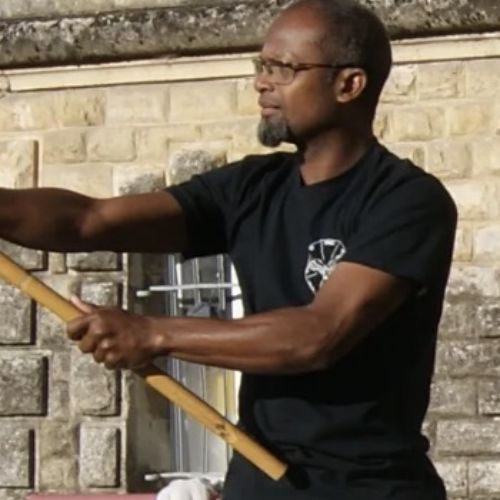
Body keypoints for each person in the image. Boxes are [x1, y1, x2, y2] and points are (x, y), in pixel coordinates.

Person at [0, 0, 456, 498]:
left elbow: (317, 335)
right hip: (256, 482)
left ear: (349, 84)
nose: (261, 82)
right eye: (261, 65)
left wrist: (152, 333)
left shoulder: (407, 201)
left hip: (367, 488)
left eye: (283, 69)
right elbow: (88, 220)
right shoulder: (250, 188)